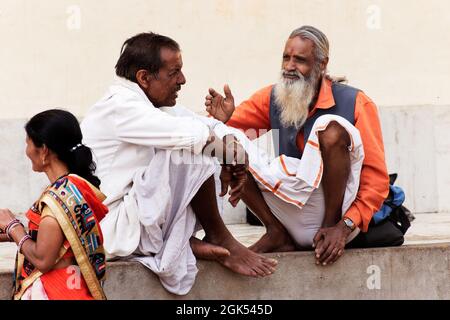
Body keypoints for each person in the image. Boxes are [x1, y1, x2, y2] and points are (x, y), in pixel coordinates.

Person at [80, 32, 277, 295]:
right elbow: (191, 136)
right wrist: (229, 155)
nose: (182, 80)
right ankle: (217, 235)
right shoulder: (120, 106)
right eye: (174, 72)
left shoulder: (150, 104)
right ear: (144, 77)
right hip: (111, 228)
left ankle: (182, 242)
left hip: (137, 219)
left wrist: (229, 146)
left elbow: (206, 126)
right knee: (188, 152)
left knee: (198, 146)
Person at [205, 25, 391, 266]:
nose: (290, 67)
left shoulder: (357, 102)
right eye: (286, 58)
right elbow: (219, 137)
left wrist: (343, 227)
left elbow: (376, 180)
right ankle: (275, 232)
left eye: (300, 60)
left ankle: (329, 225)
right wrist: (224, 121)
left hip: (337, 219)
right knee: (225, 141)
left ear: (321, 65)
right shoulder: (273, 97)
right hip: (290, 213)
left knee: (331, 129)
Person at [0, 109, 108, 300]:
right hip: (74, 288)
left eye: (28, 144)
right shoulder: (75, 189)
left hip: (56, 292)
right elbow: (58, 242)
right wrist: (13, 234)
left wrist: (13, 226)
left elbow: (43, 259)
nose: (26, 151)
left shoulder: (56, 201)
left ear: (43, 150)